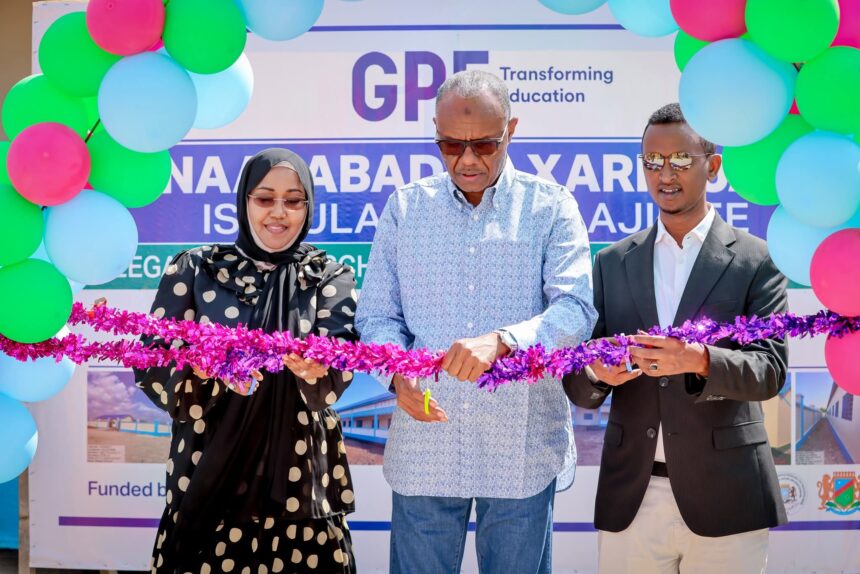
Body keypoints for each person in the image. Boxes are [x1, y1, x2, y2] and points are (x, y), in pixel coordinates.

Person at [355, 70, 597, 574]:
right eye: (449, 145)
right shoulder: (404, 209)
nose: (466, 160)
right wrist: (396, 375)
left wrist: (506, 341)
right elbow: (377, 316)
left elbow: (575, 311)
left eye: (484, 144)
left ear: (511, 129)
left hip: (521, 453)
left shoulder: (551, 208)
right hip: (426, 448)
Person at [563, 103, 788, 574]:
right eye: (652, 161)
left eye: (681, 160)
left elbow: (770, 371)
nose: (666, 174)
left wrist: (700, 359)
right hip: (634, 497)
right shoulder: (611, 263)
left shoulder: (757, 260)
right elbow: (578, 382)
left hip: (729, 495)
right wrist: (596, 374)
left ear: (713, 166)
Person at [135, 149, 358, 574]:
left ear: (307, 207)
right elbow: (151, 363)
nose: (279, 212)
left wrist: (319, 373)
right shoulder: (197, 268)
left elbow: (339, 361)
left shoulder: (329, 274)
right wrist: (197, 370)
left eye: (294, 200)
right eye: (264, 198)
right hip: (210, 469)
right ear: (244, 201)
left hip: (300, 481)